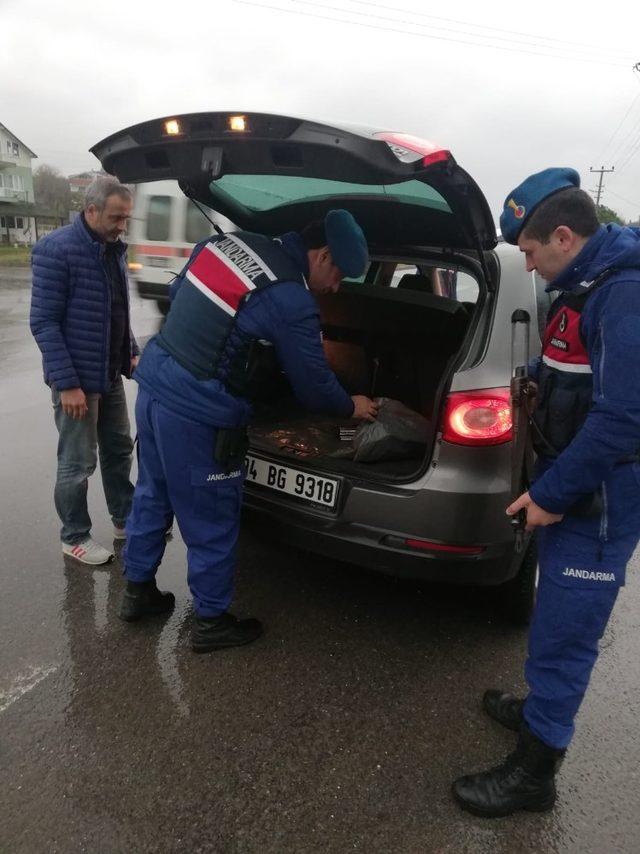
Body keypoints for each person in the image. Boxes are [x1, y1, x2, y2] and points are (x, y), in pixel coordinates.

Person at [452, 168, 640, 817]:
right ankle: (539, 710)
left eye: (530, 251)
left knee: (567, 629)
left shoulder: (624, 294)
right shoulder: (576, 286)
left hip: (602, 498)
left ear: (564, 235)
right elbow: (564, 363)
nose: (526, 262)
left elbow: (624, 418)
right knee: (552, 604)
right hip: (571, 482)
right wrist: (530, 377)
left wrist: (552, 493)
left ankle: (535, 774)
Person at [120, 209, 378, 653]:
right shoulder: (291, 299)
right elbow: (314, 385)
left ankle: (136, 592)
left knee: (151, 494)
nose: (337, 288)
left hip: (156, 388)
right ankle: (211, 622)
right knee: (212, 519)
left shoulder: (224, 244)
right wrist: (350, 404)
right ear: (322, 255)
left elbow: (180, 294)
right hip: (198, 413)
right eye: (339, 275)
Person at [30, 176, 139, 566]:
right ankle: (74, 536)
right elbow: (44, 322)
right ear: (91, 210)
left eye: (126, 218)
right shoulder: (56, 250)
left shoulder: (113, 249)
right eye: (115, 217)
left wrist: (132, 353)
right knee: (77, 463)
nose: (121, 225)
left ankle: (126, 519)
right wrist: (68, 384)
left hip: (108, 374)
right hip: (76, 381)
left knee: (118, 450)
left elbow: (116, 311)